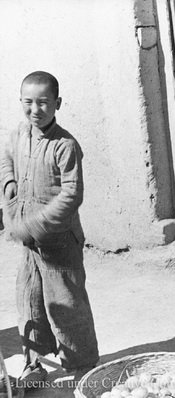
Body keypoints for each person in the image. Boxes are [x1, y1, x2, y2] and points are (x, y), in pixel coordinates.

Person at [0, 71, 99, 386]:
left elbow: (71, 195)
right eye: (28, 102)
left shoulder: (65, 145)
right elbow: (5, 160)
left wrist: (33, 223)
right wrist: (10, 184)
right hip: (30, 244)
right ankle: (34, 363)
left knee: (67, 302)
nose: (35, 109)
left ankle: (81, 365)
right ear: (20, 103)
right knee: (29, 299)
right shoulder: (18, 134)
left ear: (57, 103)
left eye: (43, 103)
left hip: (59, 243)